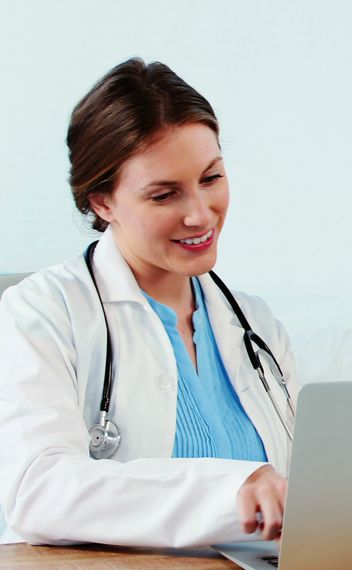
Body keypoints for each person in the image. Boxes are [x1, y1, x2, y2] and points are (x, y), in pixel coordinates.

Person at [0, 59, 297, 546]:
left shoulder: (255, 324)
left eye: (211, 178)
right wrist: (231, 489)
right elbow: (40, 490)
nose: (200, 215)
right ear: (102, 202)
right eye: (164, 196)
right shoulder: (42, 312)